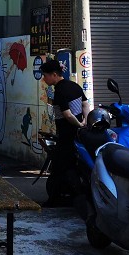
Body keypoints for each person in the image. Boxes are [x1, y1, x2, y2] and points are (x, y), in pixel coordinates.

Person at [39, 57, 92, 207]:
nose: (44, 78)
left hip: (66, 135)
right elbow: (86, 105)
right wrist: (84, 122)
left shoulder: (60, 91)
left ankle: (54, 200)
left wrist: (78, 124)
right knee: (72, 165)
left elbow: (68, 115)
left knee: (59, 167)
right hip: (80, 135)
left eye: (45, 75)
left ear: (54, 74)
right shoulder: (75, 86)